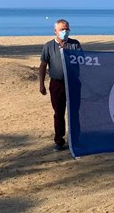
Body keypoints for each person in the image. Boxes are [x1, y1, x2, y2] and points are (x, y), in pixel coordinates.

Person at [38, 19, 82, 152]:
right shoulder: (49, 46)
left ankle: (76, 139)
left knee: (74, 112)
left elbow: (82, 60)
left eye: (67, 29)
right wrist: (41, 84)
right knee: (59, 113)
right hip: (57, 83)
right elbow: (43, 65)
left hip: (73, 82)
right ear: (55, 31)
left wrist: (68, 52)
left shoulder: (75, 44)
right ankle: (59, 140)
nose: (65, 31)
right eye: (62, 29)